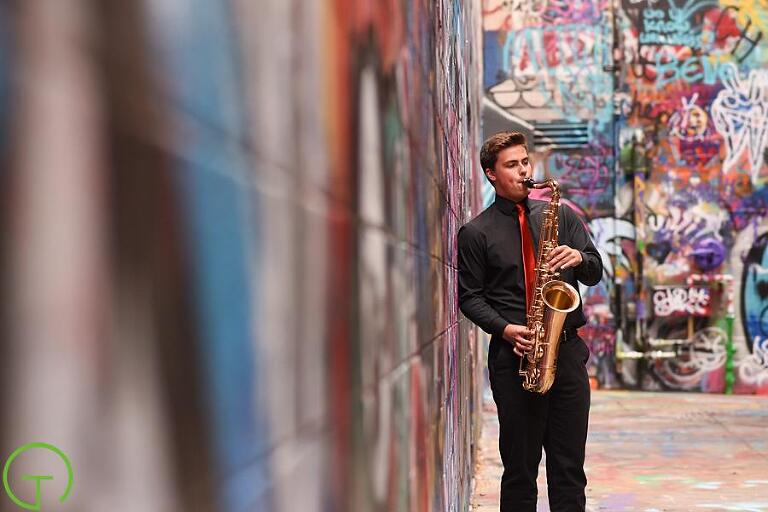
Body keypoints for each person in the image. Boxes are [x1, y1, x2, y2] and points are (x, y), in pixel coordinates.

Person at [457, 131, 603, 511]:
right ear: (491, 173)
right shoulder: (476, 232)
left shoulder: (561, 215)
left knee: (569, 469)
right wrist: (505, 329)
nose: (523, 171)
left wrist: (579, 258)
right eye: (512, 165)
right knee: (520, 472)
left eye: (525, 162)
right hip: (515, 357)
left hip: (567, 353)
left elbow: (594, 270)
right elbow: (469, 298)